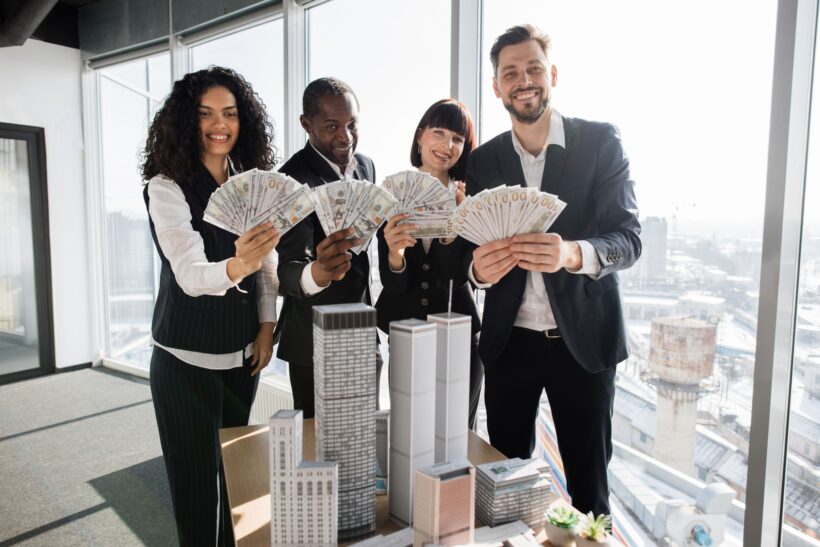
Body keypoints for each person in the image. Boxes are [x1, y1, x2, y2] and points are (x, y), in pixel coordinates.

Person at [466, 25, 641, 515]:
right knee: (504, 489)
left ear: (553, 75)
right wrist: (478, 270)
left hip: (583, 346)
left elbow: (628, 239)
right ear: (497, 87)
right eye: (510, 73)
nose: (524, 81)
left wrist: (573, 254)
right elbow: (469, 253)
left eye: (533, 69)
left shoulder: (600, 142)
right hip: (509, 347)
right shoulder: (483, 162)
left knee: (589, 493)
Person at [141, 66, 280, 546]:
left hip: (241, 360)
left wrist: (266, 326)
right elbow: (190, 274)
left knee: (235, 484)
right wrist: (238, 263)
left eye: (230, 113)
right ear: (186, 121)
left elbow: (268, 264)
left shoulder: (249, 181)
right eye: (205, 114)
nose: (219, 125)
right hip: (184, 363)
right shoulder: (167, 187)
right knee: (197, 493)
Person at [275, 77, 380, 418]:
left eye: (352, 124)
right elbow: (288, 269)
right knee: (315, 451)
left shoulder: (366, 166)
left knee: (362, 439)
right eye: (332, 126)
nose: (345, 137)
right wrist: (316, 274)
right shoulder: (290, 181)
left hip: (362, 332)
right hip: (313, 341)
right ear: (306, 124)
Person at [376, 98, 483, 429]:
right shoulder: (393, 194)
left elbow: (458, 275)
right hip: (406, 333)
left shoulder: (471, 199)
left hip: (459, 337)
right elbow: (392, 283)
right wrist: (395, 255)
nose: (447, 145)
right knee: (411, 433)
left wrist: (456, 227)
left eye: (457, 138)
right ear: (420, 136)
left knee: (456, 437)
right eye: (438, 132)